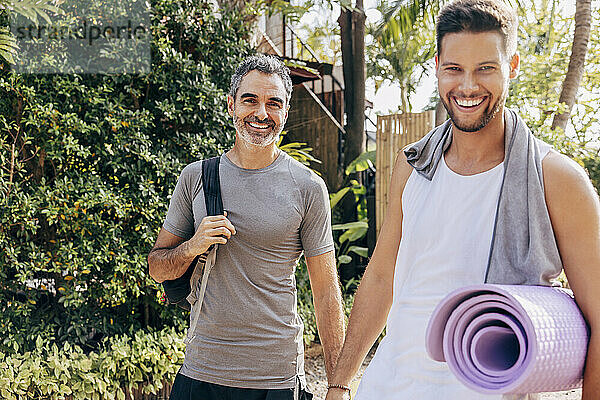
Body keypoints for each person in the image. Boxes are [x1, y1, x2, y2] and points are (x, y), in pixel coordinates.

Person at [325, 1, 600, 399]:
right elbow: (383, 275)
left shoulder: (556, 179)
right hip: (386, 387)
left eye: (485, 68)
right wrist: (339, 383)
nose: (468, 86)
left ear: (513, 65)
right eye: (454, 69)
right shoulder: (412, 166)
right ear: (437, 66)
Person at [148, 54, 345, 400]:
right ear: (231, 105)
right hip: (202, 371)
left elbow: (326, 291)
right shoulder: (196, 177)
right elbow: (157, 268)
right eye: (250, 99)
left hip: (276, 378)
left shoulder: (308, 187)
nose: (261, 113)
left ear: (285, 112)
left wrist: (338, 385)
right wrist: (193, 245)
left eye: (273, 103)